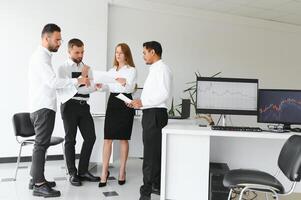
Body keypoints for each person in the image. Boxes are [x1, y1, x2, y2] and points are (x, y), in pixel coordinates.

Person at [28, 24, 90, 197]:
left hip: (42, 106)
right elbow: (53, 82)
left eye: (60, 40)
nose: (59, 43)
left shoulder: (43, 56)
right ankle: (39, 184)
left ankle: (36, 179)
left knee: (40, 145)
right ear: (46, 38)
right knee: (41, 145)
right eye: (57, 40)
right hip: (43, 107)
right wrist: (77, 81)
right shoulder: (41, 57)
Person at [130, 41, 172, 200]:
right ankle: (156, 185)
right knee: (153, 153)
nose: (143, 56)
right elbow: (155, 94)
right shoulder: (155, 69)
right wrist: (140, 102)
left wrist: (143, 102)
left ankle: (145, 192)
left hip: (155, 114)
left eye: (144, 53)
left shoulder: (162, 69)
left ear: (153, 52)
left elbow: (164, 94)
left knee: (150, 156)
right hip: (150, 113)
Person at [57, 38, 101, 186]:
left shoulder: (87, 68)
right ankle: (72, 173)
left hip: (84, 106)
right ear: (69, 51)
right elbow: (63, 90)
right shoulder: (62, 68)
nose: (80, 55)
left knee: (91, 137)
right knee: (71, 140)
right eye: (77, 52)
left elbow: (90, 88)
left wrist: (88, 84)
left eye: (82, 52)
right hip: (69, 106)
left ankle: (83, 171)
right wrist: (81, 80)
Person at [98, 43, 137, 187]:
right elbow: (108, 87)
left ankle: (122, 171)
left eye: (121, 52)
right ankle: (104, 172)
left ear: (126, 54)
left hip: (125, 103)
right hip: (113, 103)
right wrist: (100, 87)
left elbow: (130, 87)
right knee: (107, 138)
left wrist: (123, 82)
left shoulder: (132, 70)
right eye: (116, 52)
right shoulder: (111, 70)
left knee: (123, 139)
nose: (118, 55)